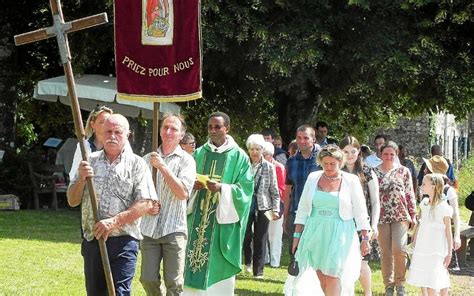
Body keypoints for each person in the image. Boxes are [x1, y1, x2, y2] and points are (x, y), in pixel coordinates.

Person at [67, 114, 159, 295]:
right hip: (93, 240)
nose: (112, 136)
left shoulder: (137, 164)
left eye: (118, 132)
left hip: (124, 242)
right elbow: (72, 200)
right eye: (108, 131)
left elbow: (146, 203)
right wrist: (81, 180)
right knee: (95, 292)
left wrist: (114, 221)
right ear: (100, 132)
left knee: (119, 292)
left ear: (127, 135)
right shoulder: (88, 161)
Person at [183, 111, 253, 295]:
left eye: (217, 127)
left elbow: (246, 189)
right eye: (210, 127)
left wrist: (222, 188)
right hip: (196, 216)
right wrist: (193, 186)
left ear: (227, 128)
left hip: (221, 222)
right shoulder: (198, 154)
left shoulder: (239, 157)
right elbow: (184, 181)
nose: (212, 131)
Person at [292, 145, 371, 295]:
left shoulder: (351, 180)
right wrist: (297, 236)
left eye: (332, 164)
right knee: (322, 277)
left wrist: (365, 238)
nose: (328, 167)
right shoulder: (313, 178)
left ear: (340, 163)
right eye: (325, 163)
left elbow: (361, 212)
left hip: (340, 232)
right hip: (315, 230)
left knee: (333, 275)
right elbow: (302, 209)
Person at [140, 114, 197, 295]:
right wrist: (147, 205)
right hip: (149, 228)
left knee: (174, 282)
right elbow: (138, 192)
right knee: (148, 279)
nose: (168, 132)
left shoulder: (186, 160)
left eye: (174, 129)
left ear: (181, 135)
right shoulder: (146, 160)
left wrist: (163, 167)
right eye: (165, 127)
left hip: (174, 228)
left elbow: (182, 193)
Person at [374, 141, 417, 296]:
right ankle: (389, 285)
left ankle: (400, 283)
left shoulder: (403, 171)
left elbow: (410, 193)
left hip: (400, 214)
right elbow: (370, 197)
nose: (389, 157)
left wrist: (413, 214)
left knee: (399, 249)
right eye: (386, 154)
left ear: (396, 154)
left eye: (392, 154)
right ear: (380, 154)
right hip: (381, 216)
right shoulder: (373, 172)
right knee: (385, 252)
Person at [340, 135, 380, 296]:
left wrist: (374, 225)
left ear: (358, 152)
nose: (350, 155)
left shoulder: (368, 171)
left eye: (353, 151)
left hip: (362, 224)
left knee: (363, 262)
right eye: (346, 151)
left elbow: (376, 201)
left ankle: (367, 293)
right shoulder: (336, 171)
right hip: (341, 222)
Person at [407, 173, 453, 296]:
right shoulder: (424, 204)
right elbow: (420, 224)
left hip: (436, 247)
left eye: (424, 184)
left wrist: (449, 252)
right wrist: (414, 242)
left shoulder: (444, 207)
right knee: (425, 276)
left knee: (434, 277)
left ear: (433, 186)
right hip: (423, 245)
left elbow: (448, 231)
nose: (421, 186)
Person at [243, 134, 280, 278]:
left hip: (265, 206)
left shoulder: (269, 167)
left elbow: (274, 190)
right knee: (246, 236)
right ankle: (247, 262)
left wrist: (276, 209)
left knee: (261, 237)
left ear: (262, 150)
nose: (254, 152)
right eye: (252, 149)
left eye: (257, 149)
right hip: (246, 205)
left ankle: (258, 271)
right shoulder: (244, 164)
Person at [283, 125, 321, 249]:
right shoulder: (291, 162)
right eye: (299, 138)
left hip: (318, 213)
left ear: (313, 139)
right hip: (296, 212)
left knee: (316, 253)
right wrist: (285, 216)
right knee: (295, 252)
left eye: (306, 138)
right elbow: (288, 190)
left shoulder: (323, 159)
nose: (302, 141)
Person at [421, 155, 462, 268]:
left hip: (442, 235)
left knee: (441, 268)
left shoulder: (449, 191)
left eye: (427, 168)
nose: (424, 170)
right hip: (427, 233)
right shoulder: (425, 188)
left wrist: (457, 235)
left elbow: (455, 215)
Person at [69, 106, 113, 179]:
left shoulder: (120, 144)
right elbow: (74, 173)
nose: (106, 125)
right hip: (88, 188)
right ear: (92, 124)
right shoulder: (83, 146)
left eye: (109, 122)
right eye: (102, 122)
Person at [262, 141, 286, 268]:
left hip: (275, 204)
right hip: (262, 205)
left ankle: (275, 261)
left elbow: (282, 189)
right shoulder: (259, 166)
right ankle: (264, 258)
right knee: (261, 233)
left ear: (271, 155)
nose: (262, 156)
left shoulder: (279, 167)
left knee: (274, 235)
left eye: (264, 154)